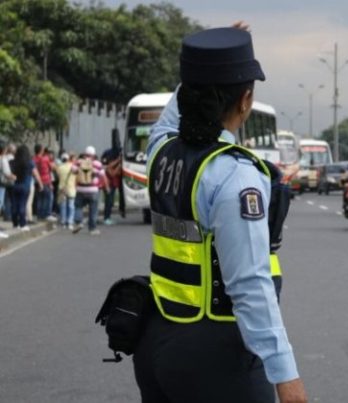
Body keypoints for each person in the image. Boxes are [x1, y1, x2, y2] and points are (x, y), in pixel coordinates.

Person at [133, 25, 307, 403]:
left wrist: (201, 66)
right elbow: (249, 286)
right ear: (245, 101)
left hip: (155, 340)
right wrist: (286, 377)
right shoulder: (234, 174)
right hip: (216, 355)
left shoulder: (162, 150)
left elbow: (168, 119)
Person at [72, 146, 108, 235]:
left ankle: (79, 222)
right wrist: (106, 187)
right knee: (93, 209)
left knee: (78, 206)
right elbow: (102, 175)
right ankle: (92, 229)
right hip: (93, 190)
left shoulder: (79, 162)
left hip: (80, 189)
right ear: (94, 155)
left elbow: (73, 170)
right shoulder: (97, 164)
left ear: (85, 154)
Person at [10, 145, 42, 231]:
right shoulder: (30, 162)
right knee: (22, 204)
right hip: (25, 186)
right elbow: (36, 174)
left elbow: (11, 174)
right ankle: (22, 224)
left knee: (14, 205)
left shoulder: (13, 162)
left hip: (15, 185)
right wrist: (40, 184)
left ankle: (15, 223)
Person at [101, 142, 122, 225]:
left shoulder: (110, 165)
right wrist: (118, 164)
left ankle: (108, 217)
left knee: (110, 202)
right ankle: (106, 218)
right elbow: (112, 172)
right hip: (108, 186)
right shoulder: (107, 167)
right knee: (108, 202)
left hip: (113, 185)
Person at [32, 144, 55, 221]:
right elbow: (50, 169)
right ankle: (46, 214)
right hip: (45, 180)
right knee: (47, 198)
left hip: (36, 180)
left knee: (39, 198)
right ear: (41, 150)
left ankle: (39, 214)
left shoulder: (33, 159)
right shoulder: (44, 159)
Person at [56, 153, 77, 229]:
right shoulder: (73, 167)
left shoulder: (59, 168)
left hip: (62, 188)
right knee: (71, 206)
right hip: (71, 188)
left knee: (63, 206)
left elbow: (58, 176)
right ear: (68, 159)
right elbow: (76, 175)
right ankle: (70, 222)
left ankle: (63, 222)